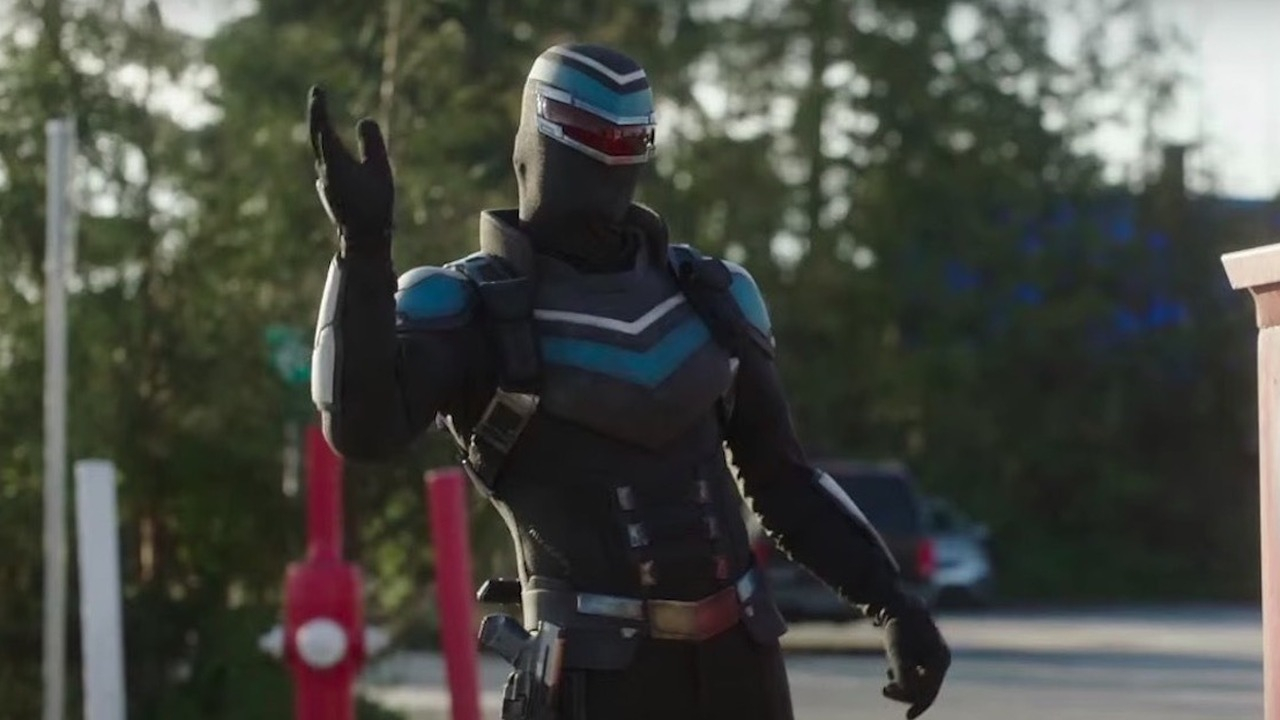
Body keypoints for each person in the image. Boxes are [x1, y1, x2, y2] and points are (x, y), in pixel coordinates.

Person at [306, 42, 950, 720]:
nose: (611, 158)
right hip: (589, 676)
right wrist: (363, 247)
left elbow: (782, 480)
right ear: (536, 139)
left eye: (629, 139)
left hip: (740, 668)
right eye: (593, 136)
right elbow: (362, 427)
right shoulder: (468, 307)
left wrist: (893, 604)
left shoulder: (709, 295)